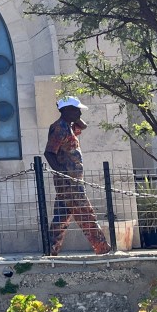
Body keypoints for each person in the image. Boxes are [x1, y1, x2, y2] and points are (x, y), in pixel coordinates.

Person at [44, 98, 110, 256]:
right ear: (67, 110)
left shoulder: (69, 126)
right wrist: (62, 174)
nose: (80, 112)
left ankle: (50, 250)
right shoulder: (59, 127)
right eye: (76, 109)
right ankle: (102, 248)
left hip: (72, 180)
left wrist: (75, 116)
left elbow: (84, 126)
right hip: (69, 182)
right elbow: (49, 153)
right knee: (86, 213)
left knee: (61, 218)